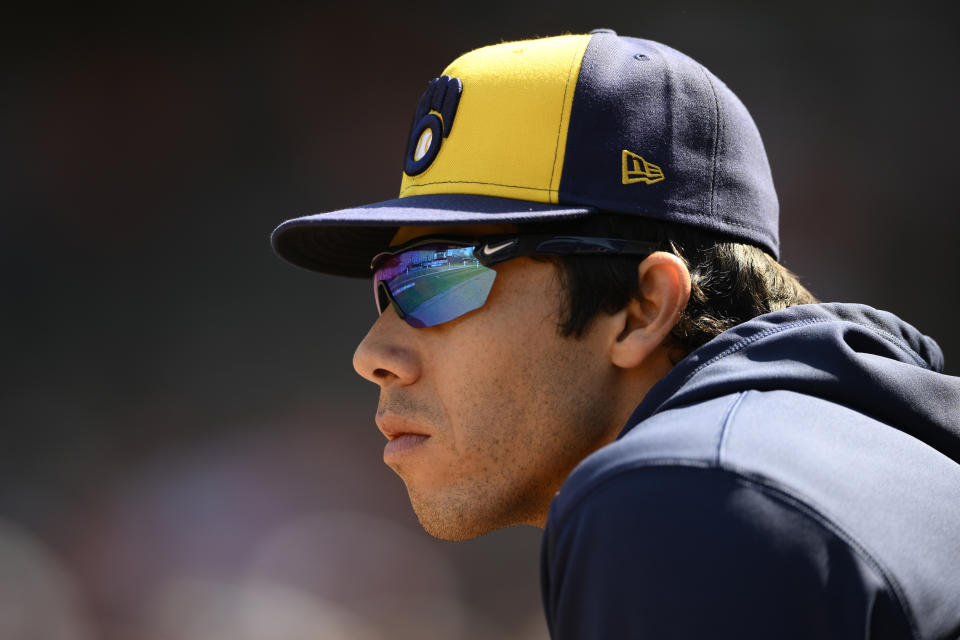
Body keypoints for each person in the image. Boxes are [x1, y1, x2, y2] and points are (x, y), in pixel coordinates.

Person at [271, 30, 960, 638]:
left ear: (643, 306)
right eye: (387, 284)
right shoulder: (867, 458)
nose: (372, 356)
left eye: (436, 278)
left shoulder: (688, 494)